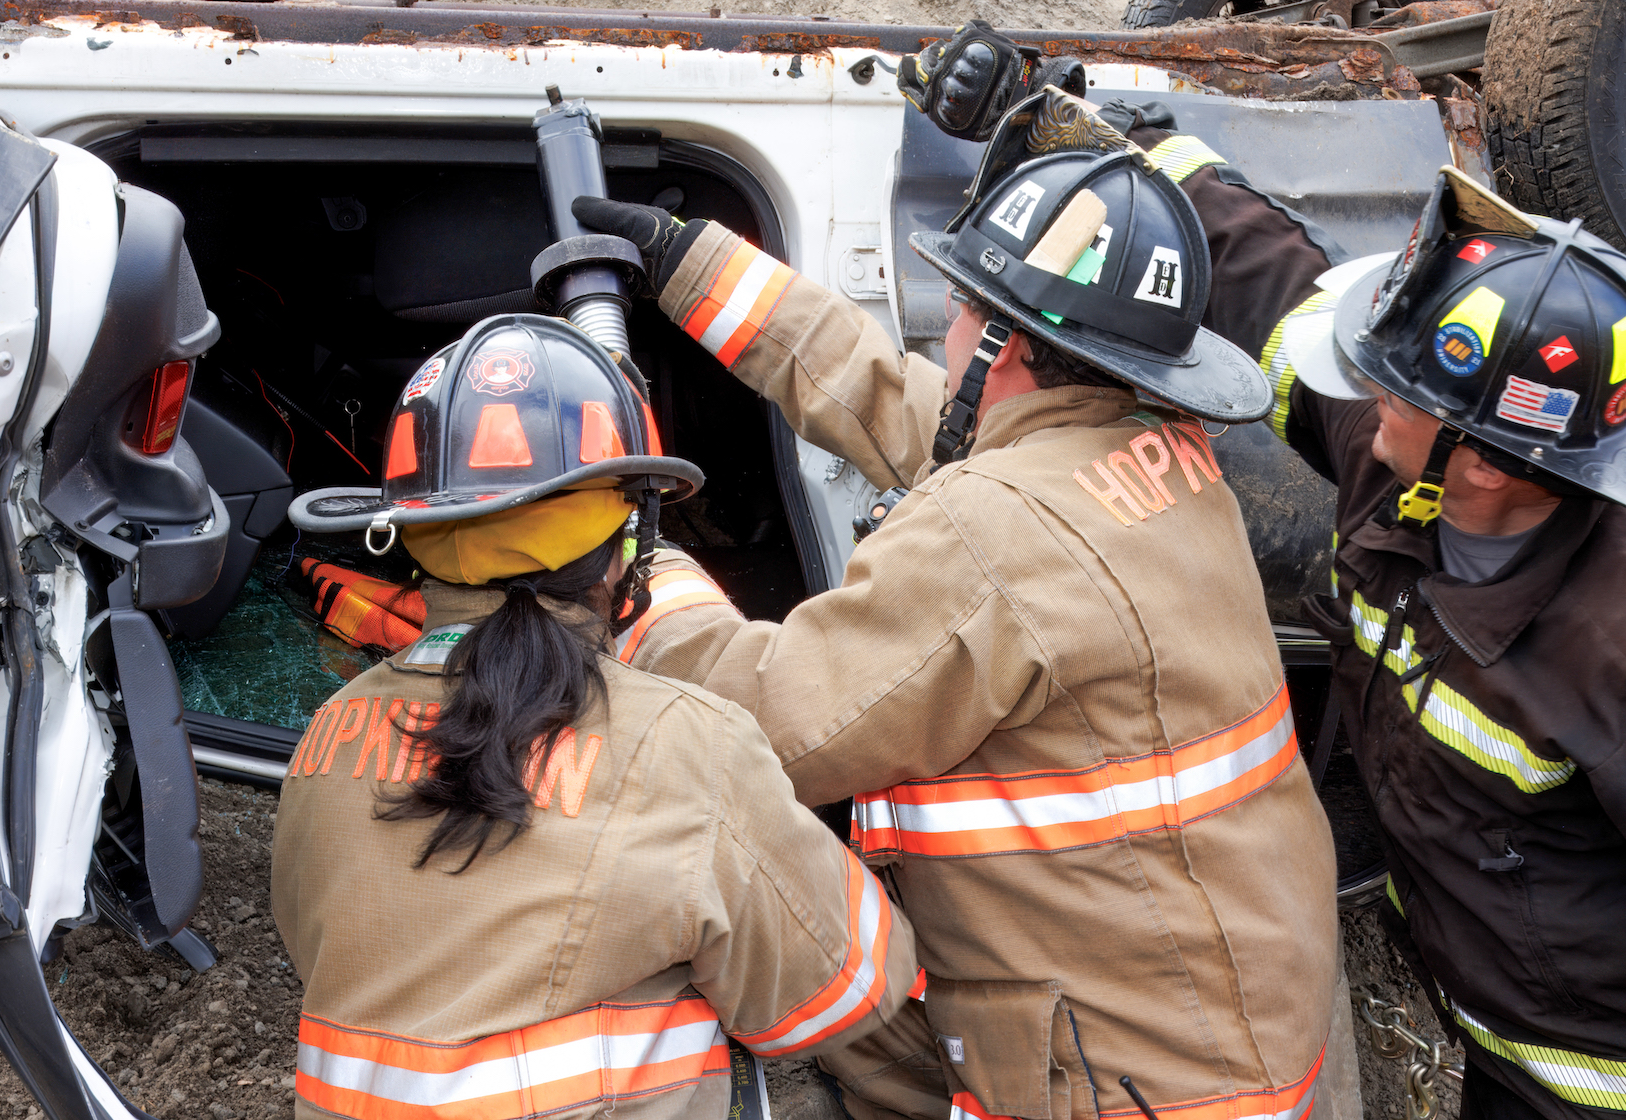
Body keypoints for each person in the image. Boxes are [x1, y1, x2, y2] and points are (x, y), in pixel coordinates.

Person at [573, 87, 1339, 1120]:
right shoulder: (1149, 451)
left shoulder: (997, 535)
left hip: (1133, 1079)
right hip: (1226, 1010)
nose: (948, 322)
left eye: (965, 302)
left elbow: (761, 725)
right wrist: (688, 260)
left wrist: (640, 564)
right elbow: (889, 396)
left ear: (1004, 348)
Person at [272, 314, 918, 1120]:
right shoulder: (689, 746)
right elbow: (849, 991)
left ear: (413, 524)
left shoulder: (325, 737)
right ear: (630, 536)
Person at [1254, 167, 1626, 1120]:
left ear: (1491, 465)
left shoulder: (1607, 647)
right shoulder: (1399, 476)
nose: (1368, 388)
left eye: (1397, 386)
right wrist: (1128, 156)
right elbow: (1272, 278)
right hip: (1480, 1018)